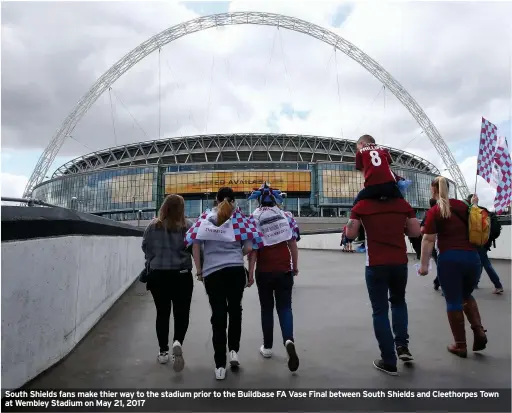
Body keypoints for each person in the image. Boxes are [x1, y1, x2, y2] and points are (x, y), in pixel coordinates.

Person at [186, 187, 262, 380]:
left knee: (218, 317)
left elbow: (195, 243)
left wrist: (200, 269)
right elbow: (250, 246)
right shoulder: (239, 220)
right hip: (235, 270)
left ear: (215, 199)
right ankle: (234, 351)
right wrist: (236, 255)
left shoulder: (205, 218)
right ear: (234, 201)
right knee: (235, 310)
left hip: (213, 273)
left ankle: (219, 365)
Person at [346, 196, 421, 375]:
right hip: (399, 263)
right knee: (398, 302)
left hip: (376, 264)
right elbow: (415, 232)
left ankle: (389, 361)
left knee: (380, 311)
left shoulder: (362, 205)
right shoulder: (403, 204)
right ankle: (402, 346)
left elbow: (350, 234)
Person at [419, 177, 487, 358]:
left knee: (453, 300)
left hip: (450, 259)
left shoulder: (435, 211)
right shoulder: (464, 206)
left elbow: (428, 239)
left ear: (433, 190)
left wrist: (424, 265)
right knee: (466, 294)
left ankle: (460, 345)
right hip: (473, 258)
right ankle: (479, 331)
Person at [247, 183, 300, 372]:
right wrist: (294, 266)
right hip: (284, 268)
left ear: (259, 200)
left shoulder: (253, 218)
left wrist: (251, 273)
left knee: (266, 309)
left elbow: (253, 249)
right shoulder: (286, 216)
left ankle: (267, 348)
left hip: (265, 270)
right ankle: (288, 340)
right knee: (285, 307)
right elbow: (293, 242)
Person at [141, 194, 194, 372]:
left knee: (162, 314)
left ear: (164, 207)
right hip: (182, 275)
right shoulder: (188, 226)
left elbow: (145, 248)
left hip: (158, 275)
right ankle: (177, 342)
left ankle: (163, 352)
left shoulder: (152, 225)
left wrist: (154, 260)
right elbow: (196, 250)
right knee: (182, 313)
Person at [465, 194, 504, 294]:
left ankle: (498, 285)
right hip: (486, 241)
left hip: (479, 242)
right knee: (482, 262)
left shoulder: (474, 211)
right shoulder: (484, 210)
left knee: (485, 263)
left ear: (470, 201)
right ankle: (476, 283)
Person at [353, 134, 404, 206]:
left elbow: (363, 171)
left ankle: (357, 216)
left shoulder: (360, 152)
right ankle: (410, 216)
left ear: (361, 143)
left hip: (373, 186)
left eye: (357, 147)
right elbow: (388, 167)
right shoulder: (384, 150)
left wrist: (365, 185)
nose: (358, 149)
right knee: (403, 203)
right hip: (389, 185)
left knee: (356, 204)